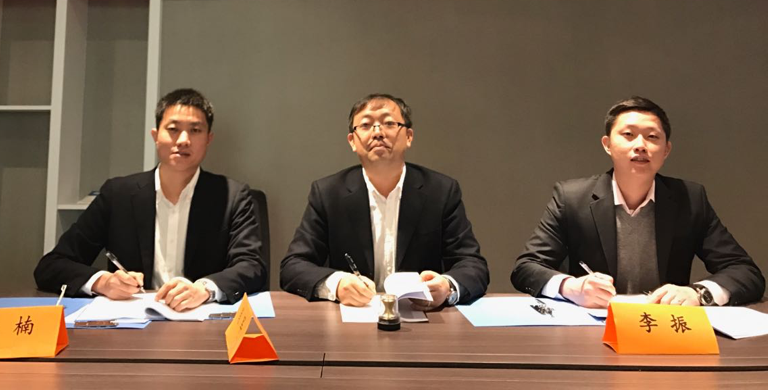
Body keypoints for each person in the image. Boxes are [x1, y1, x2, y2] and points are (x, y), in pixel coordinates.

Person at [511, 96, 764, 308]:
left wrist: (698, 293)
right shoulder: (572, 198)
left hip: (664, 328)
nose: (640, 145)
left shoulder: (690, 199)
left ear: (666, 150)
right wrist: (572, 287)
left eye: (652, 137)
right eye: (628, 135)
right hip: (593, 326)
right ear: (607, 145)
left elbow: (745, 272)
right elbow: (526, 267)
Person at [34, 88, 266, 311]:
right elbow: (52, 265)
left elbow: (252, 266)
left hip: (203, 320)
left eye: (195, 130)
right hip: (132, 323)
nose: (183, 140)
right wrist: (103, 282)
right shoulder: (118, 195)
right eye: (173, 129)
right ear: (155, 136)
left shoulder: (232, 196)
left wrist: (204, 289)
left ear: (208, 139)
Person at [280, 93, 489, 308]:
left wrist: (447, 286)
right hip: (353, 315)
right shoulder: (328, 193)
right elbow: (293, 265)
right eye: (366, 125)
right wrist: (337, 284)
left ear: (408, 136)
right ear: (352, 141)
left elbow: (472, 265)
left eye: (389, 123)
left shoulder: (441, 191)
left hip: (422, 315)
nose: (378, 132)